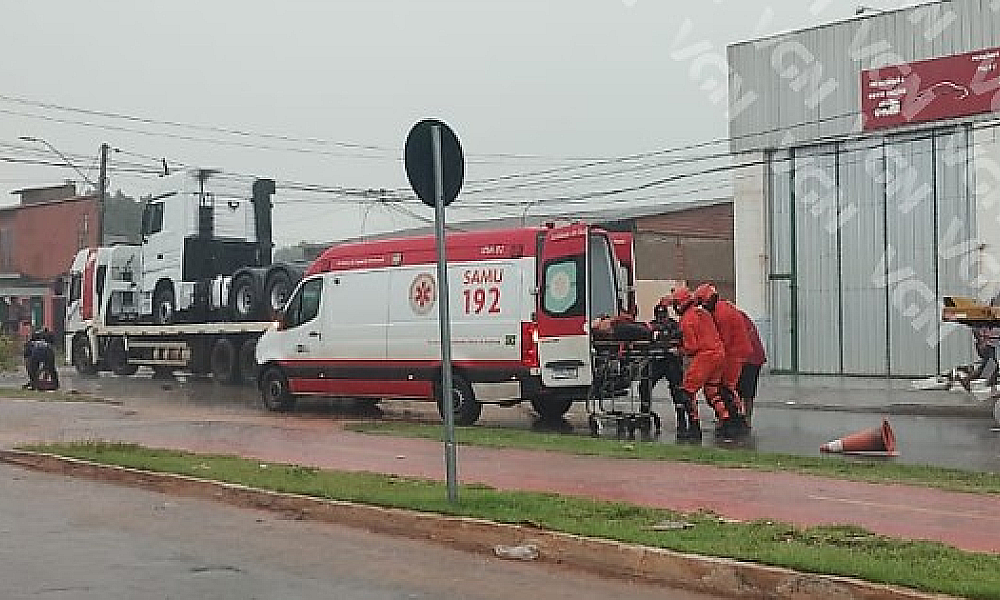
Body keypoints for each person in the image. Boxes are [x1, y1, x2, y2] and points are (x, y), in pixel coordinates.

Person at [670, 286, 730, 440]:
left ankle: (694, 425)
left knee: (687, 392)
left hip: (705, 356)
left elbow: (692, 347)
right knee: (712, 391)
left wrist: (678, 350)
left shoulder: (686, 321)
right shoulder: (702, 312)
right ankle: (726, 419)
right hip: (719, 353)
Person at [693, 283, 750, 434]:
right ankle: (733, 418)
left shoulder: (721, 315)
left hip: (733, 354)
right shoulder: (723, 308)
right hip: (735, 352)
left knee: (725, 388)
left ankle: (733, 419)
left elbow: (722, 341)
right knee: (725, 388)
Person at [646, 297, 685, 433]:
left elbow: (681, 339)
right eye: (659, 316)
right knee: (645, 385)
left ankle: (681, 420)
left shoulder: (674, 326)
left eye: (663, 316)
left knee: (677, 390)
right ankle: (645, 415)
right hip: (656, 361)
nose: (661, 319)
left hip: (671, 362)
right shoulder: (650, 326)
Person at [738, 311, 766, 426]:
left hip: (749, 358)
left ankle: (742, 418)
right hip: (752, 357)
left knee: (742, 390)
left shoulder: (734, 317)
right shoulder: (740, 315)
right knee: (746, 391)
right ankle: (744, 418)